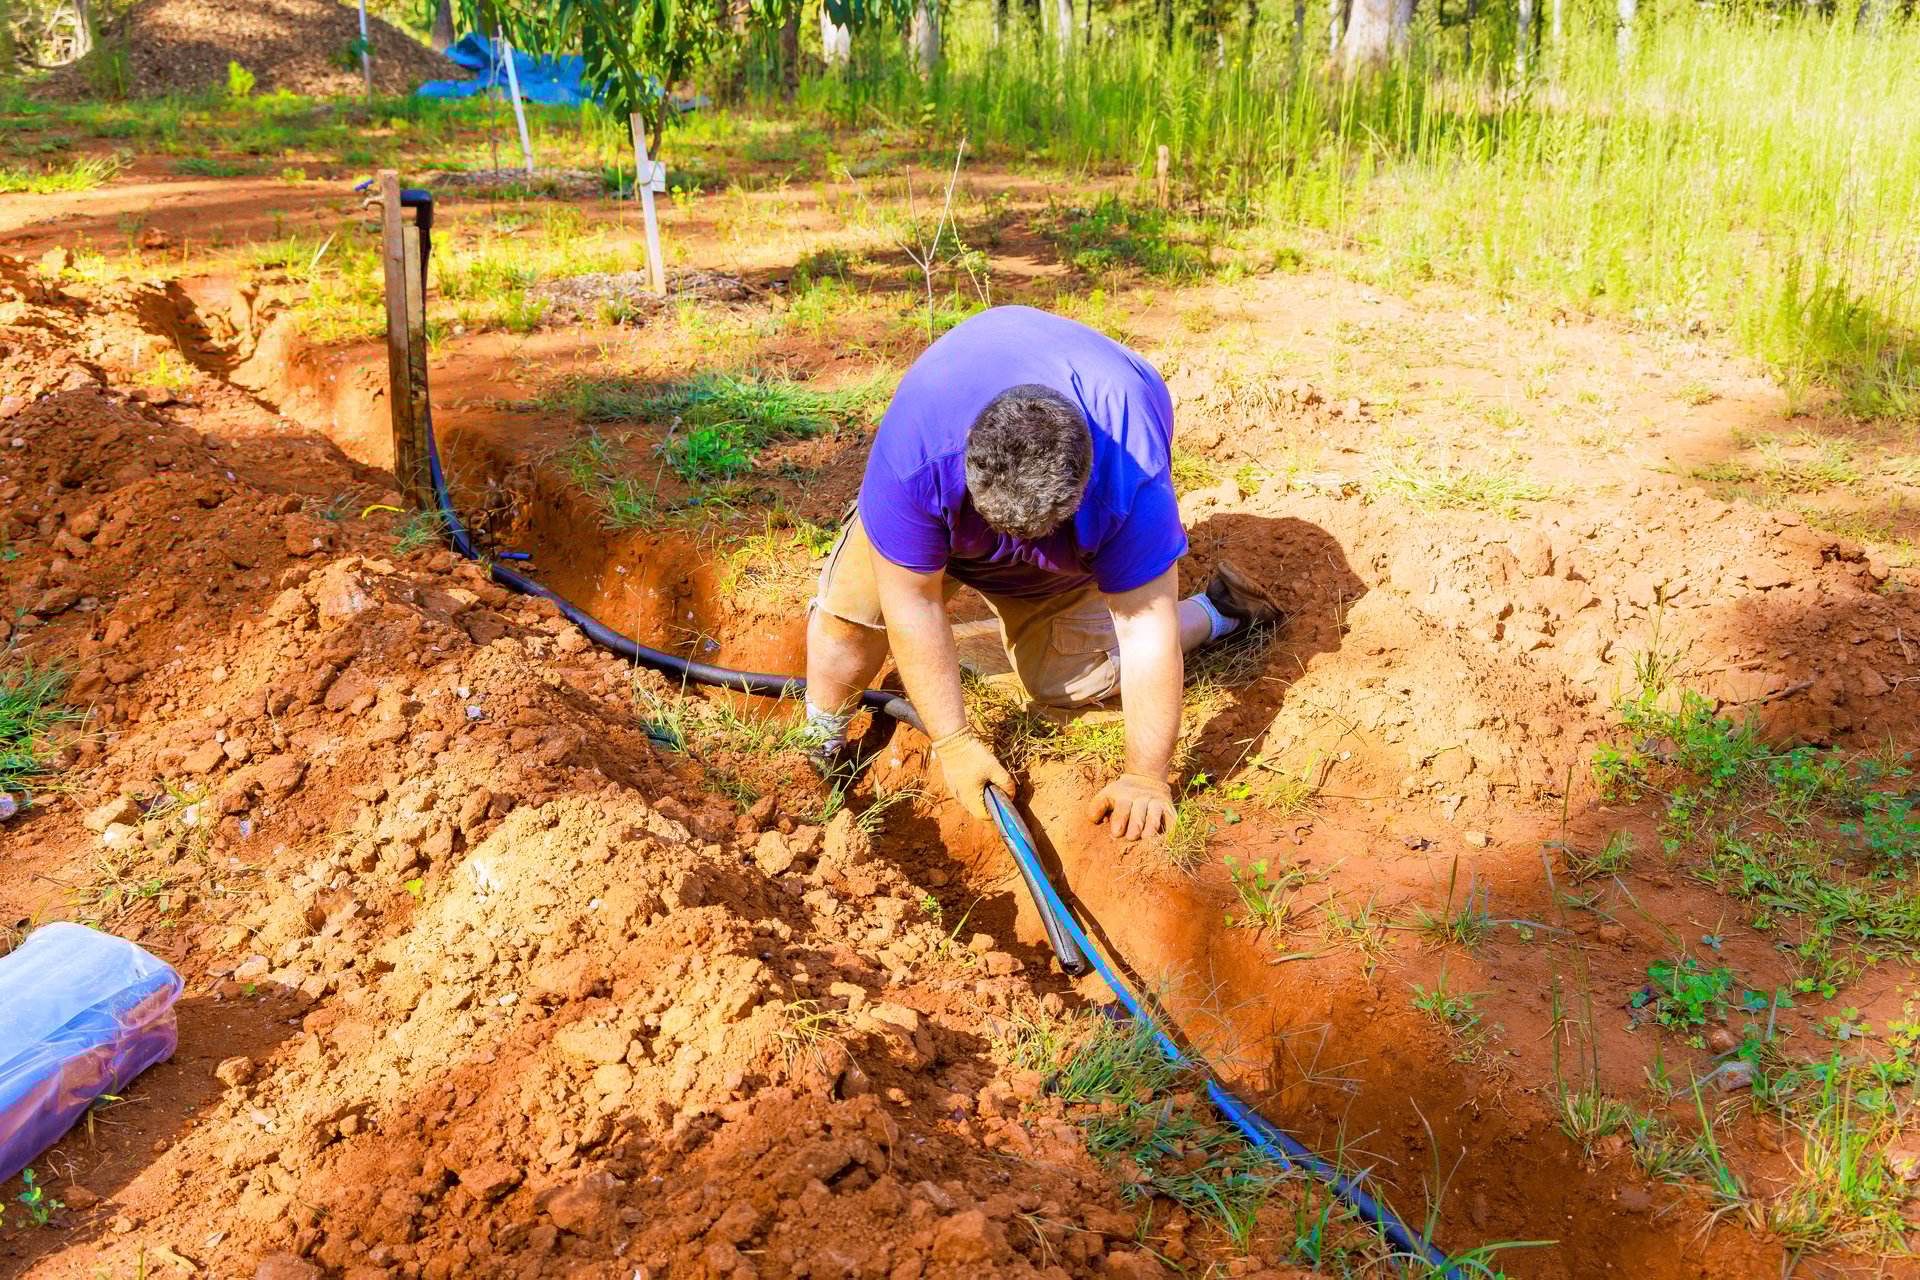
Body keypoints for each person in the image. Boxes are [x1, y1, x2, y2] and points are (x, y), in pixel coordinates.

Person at [803, 306, 1281, 841]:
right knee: (849, 618)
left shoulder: (1130, 477)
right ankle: (820, 743)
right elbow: (913, 602)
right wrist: (954, 742)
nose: (1009, 550)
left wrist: (1147, 778)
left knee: (1074, 682)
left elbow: (1143, 633)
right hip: (948, 494)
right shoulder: (916, 455)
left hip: (1067, 540)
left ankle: (1216, 610)